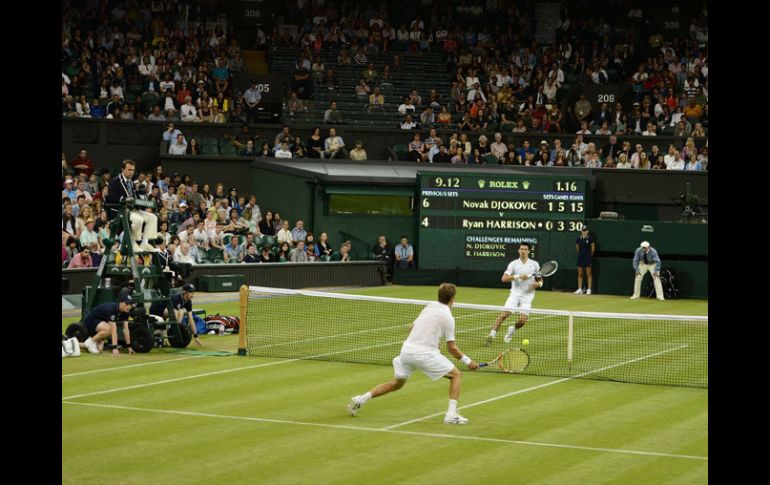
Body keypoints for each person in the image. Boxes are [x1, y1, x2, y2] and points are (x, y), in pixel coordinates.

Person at [347, 283, 478, 424]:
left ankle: (360, 399)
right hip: (424, 354)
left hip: (407, 351)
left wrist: (430, 338)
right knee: (456, 375)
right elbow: (452, 348)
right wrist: (468, 361)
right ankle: (451, 415)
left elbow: (412, 327)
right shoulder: (448, 317)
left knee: (396, 384)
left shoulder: (430, 306)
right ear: (452, 299)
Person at [485, 242, 542, 345]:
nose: (523, 251)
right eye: (521, 249)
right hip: (515, 294)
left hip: (527, 297)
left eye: (525, 249)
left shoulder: (535, 264)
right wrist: (517, 276)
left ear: (529, 251)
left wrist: (539, 284)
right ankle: (492, 334)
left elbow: (539, 279)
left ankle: (512, 329)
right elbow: (504, 279)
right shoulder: (513, 264)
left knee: (523, 321)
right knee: (503, 315)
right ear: (518, 250)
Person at [106, 159, 159, 253]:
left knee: (152, 217)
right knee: (138, 219)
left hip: (133, 210)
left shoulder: (131, 183)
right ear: (123, 169)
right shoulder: (114, 181)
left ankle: (145, 242)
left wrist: (142, 203)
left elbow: (134, 198)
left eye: (133, 170)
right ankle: (133, 242)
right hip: (120, 211)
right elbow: (111, 197)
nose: (131, 172)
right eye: (129, 169)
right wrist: (124, 199)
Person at [574, 226, 595, 295]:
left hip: (588, 258)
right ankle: (579, 289)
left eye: (585, 230)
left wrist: (588, 255)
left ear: (587, 231)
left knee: (588, 274)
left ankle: (589, 289)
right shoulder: (578, 239)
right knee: (580, 274)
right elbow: (577, 249)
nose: (584, 232)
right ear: (581, 231)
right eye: (583, 230)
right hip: (580, 258)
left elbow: (593, 249)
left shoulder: (590, 239)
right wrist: (581, 255)